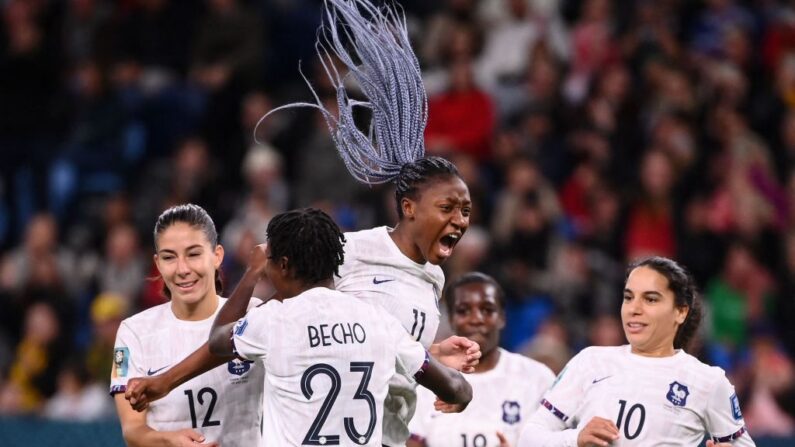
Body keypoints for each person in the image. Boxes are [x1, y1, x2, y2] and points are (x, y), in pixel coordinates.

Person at [260, 1, 480, 444]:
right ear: (409, 208)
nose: (460, 220)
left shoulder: (433, 278)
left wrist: (431, 355)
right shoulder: (350, 250)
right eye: (448, 208)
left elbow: (379, 351)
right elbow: (290, 320)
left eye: (466, 211)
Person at [125, 207, 474, 446]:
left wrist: (252, 273)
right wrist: (455, 392)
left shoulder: (273, 320)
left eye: (271, 260)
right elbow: (455, 387)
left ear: (284, 265)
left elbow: (218, 340)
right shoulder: (379, 321)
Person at [517, 256, 755, 447]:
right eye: (628, 297)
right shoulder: (590, 362)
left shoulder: (708, 381)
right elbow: (529, 437)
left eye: (650, 299)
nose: (634, 309)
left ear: (680, 312)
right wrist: (576, 439)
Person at [110, 204, 264, 447]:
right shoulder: (133, 332)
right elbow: (132, 429)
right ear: (158, 263)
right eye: (169, 257)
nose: (182, 269)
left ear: (217, 256)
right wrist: (170, 441)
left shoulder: (254, 314)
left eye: (193, 254)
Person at [408, 272, 556, 447]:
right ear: (452, 319)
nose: (476, 319)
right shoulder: (428, 376)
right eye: (463, 311)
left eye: (487, 310)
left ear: (502, 317)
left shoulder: (537, 378)